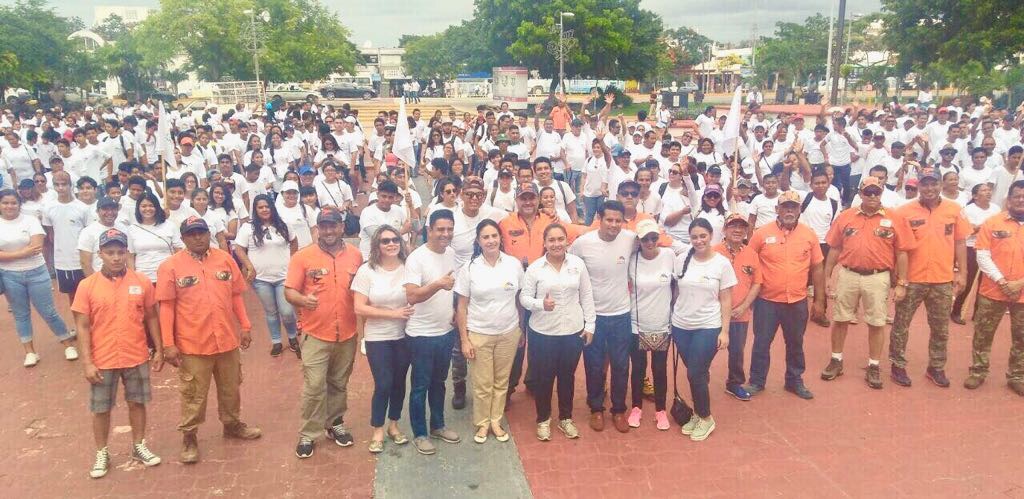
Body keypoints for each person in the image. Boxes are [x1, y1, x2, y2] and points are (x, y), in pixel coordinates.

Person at [157, 216, 261, 464]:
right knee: (194, 393)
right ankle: (189, 436)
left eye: (201, 232)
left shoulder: (225, 259)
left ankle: (232, 424)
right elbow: (166, 307)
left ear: (208, 234)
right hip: (193, 344)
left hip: (226, 339)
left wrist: (245, 325)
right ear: (183, 238)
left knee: (231, 387)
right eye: (191, 234)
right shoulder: (170, 266)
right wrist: (168, 344)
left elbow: (236, 296)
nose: (198, 237)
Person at [72, 228, 162, 478]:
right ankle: (102, 452)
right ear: (100, 254)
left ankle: (139, 445)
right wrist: (87, 363)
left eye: (120, 252)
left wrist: (159, 349)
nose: (115, 257)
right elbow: (82, 326)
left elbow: (152, 316)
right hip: (103, 358)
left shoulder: (141, 281)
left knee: (137, 402)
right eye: (110, 252)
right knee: (101, 408)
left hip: (136, 354)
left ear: (127, 253)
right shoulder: (87, 286)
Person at [283, 207, 362, 458]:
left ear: (341, 227)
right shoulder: (302, 257)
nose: (329, 231)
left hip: (347, 333)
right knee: (314, 386)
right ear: (318, 228)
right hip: (316, 334)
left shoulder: (356, 255)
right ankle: (309, 433)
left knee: (339, 382)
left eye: (333, 225)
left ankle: (335, 423)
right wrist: (303, 300)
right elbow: (289, 291)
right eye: (324, 226)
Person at [820, 177, 913, 389]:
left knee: (877, 322)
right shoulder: (846, 216)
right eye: (868, 191)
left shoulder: (895, 218)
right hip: (848, 274)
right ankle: (836, 360)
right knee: (841, 318)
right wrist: (827, 277)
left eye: (876, 192)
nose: (872, 196)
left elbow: (902, 252)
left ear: (882, 193)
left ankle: (873, 365)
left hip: (878, 277)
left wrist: (902, 283)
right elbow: (834, 248)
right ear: (860, 193)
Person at [889, 169, 970, 388]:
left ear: (941, 184)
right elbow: (896, 247)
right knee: (901, 324)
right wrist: (897, 279)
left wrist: (962, 273)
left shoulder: (954, 210)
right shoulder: (903, 212)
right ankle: (897, 364)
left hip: (942, 279)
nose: (929, 189)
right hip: (912, 279)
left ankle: (936, 367)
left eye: (933, 184)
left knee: (940, 327)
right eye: (925, 184)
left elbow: (960, 242)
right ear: (918, 186)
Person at [745, 190, 826, 400]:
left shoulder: (809, 234)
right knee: (762, 342)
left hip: (797, 300)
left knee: (795, 343)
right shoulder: (761, 234)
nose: (789, 210)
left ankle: (794, 380)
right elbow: (749, 263)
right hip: (767, 301)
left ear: (800, 210)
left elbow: (818, 268)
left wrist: (819, 300)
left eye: (794, 207)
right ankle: (756, 380)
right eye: (785, 206)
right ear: (776, 209)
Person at [521, 223, 594, 440]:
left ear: (567, 241)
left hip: (572, 331)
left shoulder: (578, 264)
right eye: (551, 240)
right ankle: (543, 420)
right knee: (544, 378)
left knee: (567, 377)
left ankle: (565, 419)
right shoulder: (535, 268)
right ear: (544, 243)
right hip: (543, 332)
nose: (556, 244)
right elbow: (524, 298)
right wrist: (540, 304)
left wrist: (590, 325)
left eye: (560, 239)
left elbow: (587, 295)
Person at [569, 200, 636, 433]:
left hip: (621, 314)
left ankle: (618, 410)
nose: (614, 225)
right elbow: (570, 267)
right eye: (609, 219)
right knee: (594, 365)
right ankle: (596, 408)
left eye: (618, 220)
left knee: (620, 365)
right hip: (592, 316)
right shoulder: (582, 244)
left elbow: (658, 242)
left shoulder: (630, 239)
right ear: (599, 218)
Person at [454, 219, 524, 444]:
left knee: (501, 381)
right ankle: (482, 423)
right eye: (486, 237)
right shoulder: (469, 268)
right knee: (482, 383)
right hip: (479, 333)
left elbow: (519, 299)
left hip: (509, 332)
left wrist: (521, 329)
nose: (491, 240)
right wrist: (464, 339)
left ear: (501, 238)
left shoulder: (513, 264)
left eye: (494, 235)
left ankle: (496, 419)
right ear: (478, 241)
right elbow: (461, 305)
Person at [403, 209, 461, 455]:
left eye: (449, 229)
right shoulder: (416, 258)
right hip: (421, 335)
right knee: (420, 386)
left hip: (445, 332)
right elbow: (412, 296)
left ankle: (438, 425)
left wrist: (457, 312)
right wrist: (438, 284)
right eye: (440, 229)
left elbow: (455, 289)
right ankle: (420, 433)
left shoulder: (451, 254)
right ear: (430, 230)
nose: (445, 234)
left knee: (439, 382)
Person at [672, 218, 736, 441]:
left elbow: (726, 298)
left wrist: (725, 331)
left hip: (708, 326)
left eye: (703, 236)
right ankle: (698, 414)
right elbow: (674, 290)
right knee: (697, 373)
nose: (698, 240)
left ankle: (706, 417)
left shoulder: (722, 263)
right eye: (694, 237)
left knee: (695, 373)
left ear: (711, 236)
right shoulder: (681, 260)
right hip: (681, 326)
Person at [353, 225, 414, 453]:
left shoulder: (409, 268)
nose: (391, 244)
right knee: (384, 383)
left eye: (395, 240)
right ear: (377, 245)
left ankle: (394, 425)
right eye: (385, 241)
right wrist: (393, 313)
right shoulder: (366, 271)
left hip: (404, 335)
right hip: (378, 337)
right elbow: (359, 307)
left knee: (399, 383)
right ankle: (377, 428)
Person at [0, 189, 78, 366]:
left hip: (36, 272)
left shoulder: (30, 220)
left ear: (19, 204)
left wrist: (7, 254)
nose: (9, 206)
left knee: (48, 311)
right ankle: (30, 352)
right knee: (21, 315)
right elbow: (27, 250)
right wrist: (23, 252)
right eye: (5, 202)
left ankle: (67, 343)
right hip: (9, 275)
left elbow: (36, 246)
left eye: (13, 203)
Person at [967, 180, 1024, 395]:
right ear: (1008, 199)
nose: (1021, 200)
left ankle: (1017, 375)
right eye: (1017, 196)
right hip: (993, 290)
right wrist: (1002, 281)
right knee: (983, 333)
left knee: (1022, 336)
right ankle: (978, 371)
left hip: (1022, 291)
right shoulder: (993, 222)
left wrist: (1019, 283)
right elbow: (982, 254)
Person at [235, 194, 299, 357]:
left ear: (272, 207)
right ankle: (276, 341)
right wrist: (249, 266)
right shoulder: (247, 228)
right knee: (270, 311)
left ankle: (292, 337)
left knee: (286, 311)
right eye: (260, 207)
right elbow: (239, 249)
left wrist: (292, 261)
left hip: (284, 276)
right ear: (255, 210)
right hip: (261, 279)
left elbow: (294, 241)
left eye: (267, 206)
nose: (264, 210)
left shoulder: (283, 225)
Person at [626, 219, 673, 430]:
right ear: (639, 240)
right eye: (646, 238)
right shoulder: (632, 259)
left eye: (654, 237)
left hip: (662, 323)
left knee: (659, 368)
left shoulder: (669, 256)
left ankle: (661, 411)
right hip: (637, 323)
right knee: (638, 368)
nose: (650, 241)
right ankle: (636, 408)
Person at [714, 213, 762, 401]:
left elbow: (757, 283)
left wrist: (743, 307)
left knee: (737, 351)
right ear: (725, 230)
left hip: (739, 313)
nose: (737, 230)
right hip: (714, 313)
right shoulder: (714, 252)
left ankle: (734, 383)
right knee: (707, 349)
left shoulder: (751, 254)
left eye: (741, 227)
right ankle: (699, 378)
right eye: (733, 226)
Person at [952, 183, 1001, 325]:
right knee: (967, 281)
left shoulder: (996, 209)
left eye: (989, 190)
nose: (988, 192)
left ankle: (978, 313)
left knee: (985, 283)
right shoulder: (968, 210)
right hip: (971, 248)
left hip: (989, 249)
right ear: (975, 196)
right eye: (984, 190)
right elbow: (967, 231)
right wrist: (984, 226)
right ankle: (956, 311)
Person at [128, 191, 184, 283]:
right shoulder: (132, 229)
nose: (147, 209)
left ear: (157, 207)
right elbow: (130, 256)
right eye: (143, 206)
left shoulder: (169, 226)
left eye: (151, 205)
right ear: (138, 208)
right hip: (142, 278)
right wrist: (132, 277)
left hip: (167, 277)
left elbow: (179, 250)